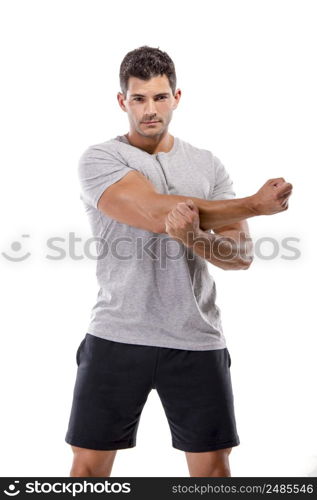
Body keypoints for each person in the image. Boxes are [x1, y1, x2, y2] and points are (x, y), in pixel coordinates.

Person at [65, 45, 293, 477]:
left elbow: (240, 256)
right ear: (122, 101)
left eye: (160, 97)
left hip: (197, 336)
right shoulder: (101, 158)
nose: (150, 109)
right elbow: (153, 212)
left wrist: (196, 240)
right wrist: (254, 206)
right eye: (138, 98)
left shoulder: (207, 164)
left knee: (212, 473)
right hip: (118, 332)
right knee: (89, 470)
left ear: (176, 97)